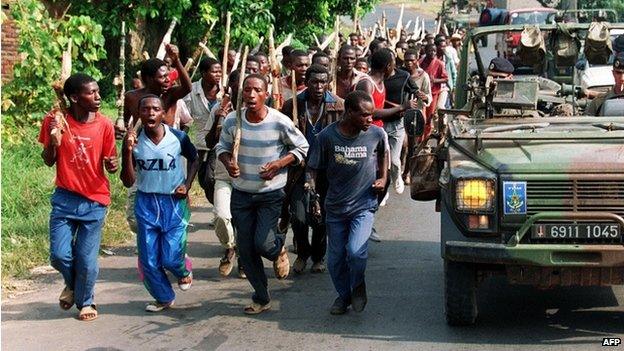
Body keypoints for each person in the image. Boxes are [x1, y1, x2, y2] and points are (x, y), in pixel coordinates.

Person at [215, 74, 309, 314]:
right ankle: (261, 296)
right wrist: (228, 162)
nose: (251, 95)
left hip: (270, 193)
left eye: (257, 90)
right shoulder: (232, 121)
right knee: (245, 251)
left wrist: (279, 164)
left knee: (264, 243)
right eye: (247, 90)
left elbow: (302, 147)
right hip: (242, 193)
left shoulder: (279, 121)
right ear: (242, 93)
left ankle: (278, 249)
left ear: (266, 94)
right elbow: (222, 148)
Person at [40, 73, 118, 321]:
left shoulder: (105, 125)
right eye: (91, 93)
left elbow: (110, 162)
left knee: (86, 259)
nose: (98, 97)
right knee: (59, 255)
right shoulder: (55, 119)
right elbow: (48, 160)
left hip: (94, 200)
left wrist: (113, 164)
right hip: (65, 198)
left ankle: (87, 301)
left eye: (97, 91)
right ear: (74, 98)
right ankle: (73, 284)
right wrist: (53, 141)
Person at [306, 91, 389, 315]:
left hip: (363, 205)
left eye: (371, 115)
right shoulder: (326, 137)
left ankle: (358, 284)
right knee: (335, 260)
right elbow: (313, 167)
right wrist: (312, 194)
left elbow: (384, 154)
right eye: (364, 115)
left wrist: (382, 177)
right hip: (335, 207)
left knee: (356, 251)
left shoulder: (376, 134)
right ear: (349, 112)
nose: (370, 119)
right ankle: (343, 296)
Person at [121, 95, 199, 312]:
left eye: (155, 109)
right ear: (139, 114)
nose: (150, 113)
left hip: (174, 202)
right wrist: (127, 152)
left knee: (172, 258)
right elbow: (128, 180)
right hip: (146, 202)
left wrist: (187, 184)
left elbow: (194, 159)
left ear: (163, 114)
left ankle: (183, 269)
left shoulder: (178, 137)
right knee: (149, 260)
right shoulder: (133, 142)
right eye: (145, 110)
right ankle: (163, 297)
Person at [116, 44, 192, 238]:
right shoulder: (132, 97)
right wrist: (124, 133)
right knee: (135, 217)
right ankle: (150, 240)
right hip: (141, 156)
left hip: (169, 155)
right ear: (148, 79)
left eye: (168, 76)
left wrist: (176, 61)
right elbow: (127, 122)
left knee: (176, 206)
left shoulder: (170, 95)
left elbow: (187, 87)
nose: (167, 80)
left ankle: (175, 246)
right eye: (162, 77)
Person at [281, 64, 345, 274]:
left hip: (327, 170)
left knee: (321, 216)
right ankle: (302, 253)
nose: (318, 86)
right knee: (299, 216)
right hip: (299, 169)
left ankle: (318, 256)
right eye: (314, 82)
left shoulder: (338, 106)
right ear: (306, 82)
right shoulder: (293, 105)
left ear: (328, 82)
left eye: (322, 82)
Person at [205, 70, 243, 277]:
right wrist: (218, 121)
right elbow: (210, 144)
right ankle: (230, 247)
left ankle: (245, 259)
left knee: (245, 222)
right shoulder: (219, 110)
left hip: (250, 177)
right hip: (223, 174)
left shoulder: (261, 112)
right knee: (221, 215)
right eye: (237, 86)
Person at [401, 49, 432, 184]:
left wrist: (425, 98)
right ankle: (399, 168)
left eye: (412, 60)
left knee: (412, 145)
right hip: (400, 113)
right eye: (406, 60)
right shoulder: (400, 74)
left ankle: (407, 172)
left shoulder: (423, 76)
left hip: (415, 115)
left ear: (417, 60)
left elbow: (428, 95)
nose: (409, 63)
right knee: (403, 145)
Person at [183, 57, 221, 156]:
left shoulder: (225, 92)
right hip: (195, 144)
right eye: (214, 72)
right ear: (204, 73)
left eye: (219, 72)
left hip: (218, 146)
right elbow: (186, 120)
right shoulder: (191, 91)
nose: (218, 75)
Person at [419, 43, 448, 140]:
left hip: (434, 93)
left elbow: (445, 78)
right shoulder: (421, 62)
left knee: (429, 116)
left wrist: (435, 80)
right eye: (430, 51)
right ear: (425, 51)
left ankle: (425, 139)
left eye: (434, 51)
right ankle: (419, 137)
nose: (432, 53)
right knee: (421, 116)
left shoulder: (439, 63)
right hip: (422, 93)